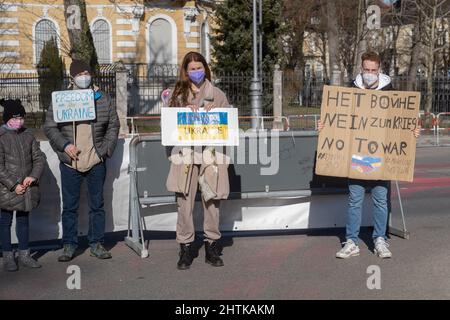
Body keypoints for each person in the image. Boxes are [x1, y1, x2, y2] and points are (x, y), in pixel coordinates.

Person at [318, 51, 420, 259]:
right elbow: (339, 120)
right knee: (355, 199)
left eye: (374, 70)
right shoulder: (351, 91)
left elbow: (401, 124)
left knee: (380, 200)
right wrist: (324, 127)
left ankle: (380, 239)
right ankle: (352, 242)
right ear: (361, 69)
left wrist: (413, 132)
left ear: (379, 70)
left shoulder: (392, 93)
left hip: (381, 157)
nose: (370, 74)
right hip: (357, 155)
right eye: (367, 70)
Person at [44, 59, 119, 262]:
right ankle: (69, 244)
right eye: (80, 73)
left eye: (87, 72)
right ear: (72, 77)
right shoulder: (61, 99)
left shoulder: (102, 98)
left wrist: (103, 151)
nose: (84, 76)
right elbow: (50, 127)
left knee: (97, 205)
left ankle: (96, 243)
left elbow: (113, 125)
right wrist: (65, 146)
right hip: (70, 162)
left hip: (95, 160)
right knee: (70, 206)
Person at [165, 52, 231, 270]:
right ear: (186, 71)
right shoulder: (177, 94)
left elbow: (229, 125)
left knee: (212, 201)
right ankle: (185, 247)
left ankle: (212, 245)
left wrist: (219, 112)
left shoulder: (218, 94)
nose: (196, 72)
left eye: (199, 67)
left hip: (211, 155)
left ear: (206, 68)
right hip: (185, 156)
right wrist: (183, 112)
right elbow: (167, 124)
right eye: (192, 69)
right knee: (184, 202)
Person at [0, 99, 46, 271]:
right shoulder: (2, 137)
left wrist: (33, 176)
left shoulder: (28, 135)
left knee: (24, 221)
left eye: (21, 118)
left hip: (26, 189)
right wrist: (13, 185)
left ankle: (25, 254)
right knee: (5, 222)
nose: (19, 121)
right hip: (6, 190)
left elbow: (39, 158)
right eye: (15, 118)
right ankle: (8, 256)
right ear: (7, 119)